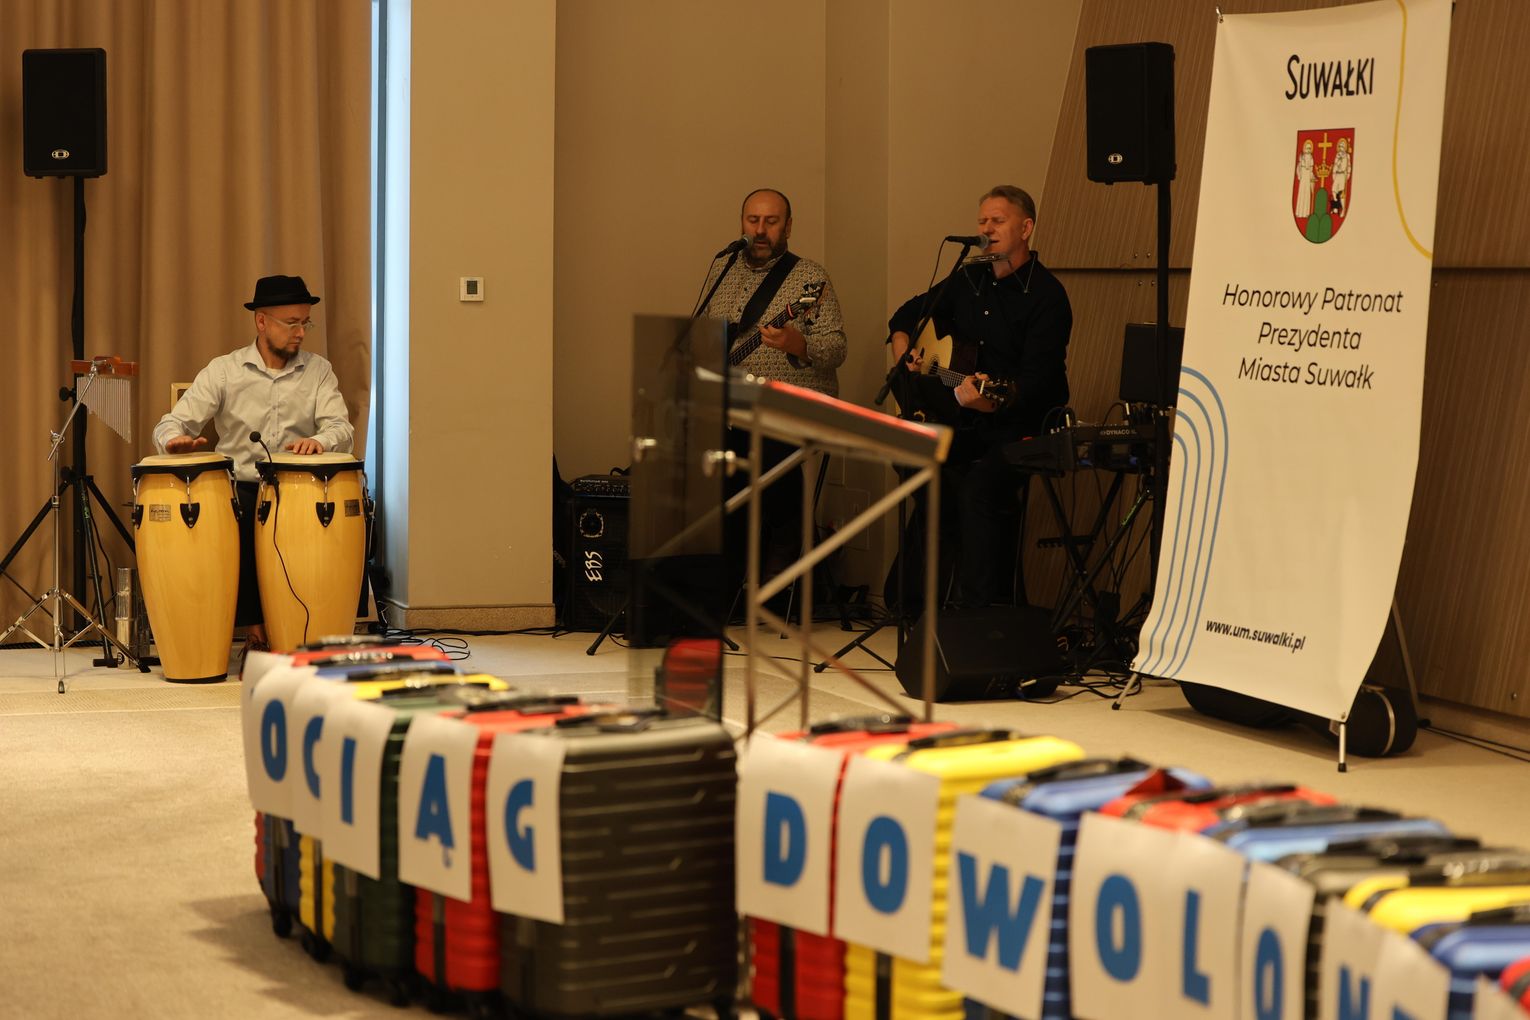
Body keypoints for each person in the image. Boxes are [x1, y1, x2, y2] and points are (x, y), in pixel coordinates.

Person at [886, 185, 1072, 609]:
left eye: (998, 221)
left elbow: (1037, 382)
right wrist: (905, 351)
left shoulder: (1047, 296)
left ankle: (980, 615)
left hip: (1020, 426)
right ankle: (918, 602)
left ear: (1025, 228)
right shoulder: (969, 278)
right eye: (982, 221)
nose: (987, 229)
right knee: (915, 463)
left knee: (980, 490)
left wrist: (991, 401)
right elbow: (906, 315)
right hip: (965, 420)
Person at [152, 275, 354, 650]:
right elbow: (170, 424)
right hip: (241, 488)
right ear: (261, 321)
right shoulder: (224, 371)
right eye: (290, 323)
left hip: (297, 490)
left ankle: (306, 632)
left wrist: (319, 440)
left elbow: (341, 427)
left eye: (305, 323)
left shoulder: (319, 371)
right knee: (237, 512)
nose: (300, 333)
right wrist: (173, 442)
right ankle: (257, 634)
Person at [699, 188, 847, 610]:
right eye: (753, 220)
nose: (760, 230)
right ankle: (719, 587)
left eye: (771, 221)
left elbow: (837, 348)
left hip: (793, 404)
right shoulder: (722, 270)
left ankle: (776, 573)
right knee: (708, 466)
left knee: (762, 452)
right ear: (742, 223)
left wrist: (800, 345)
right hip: (734, 407)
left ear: (788, 226)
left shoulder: (810, 277)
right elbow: (707, 337)